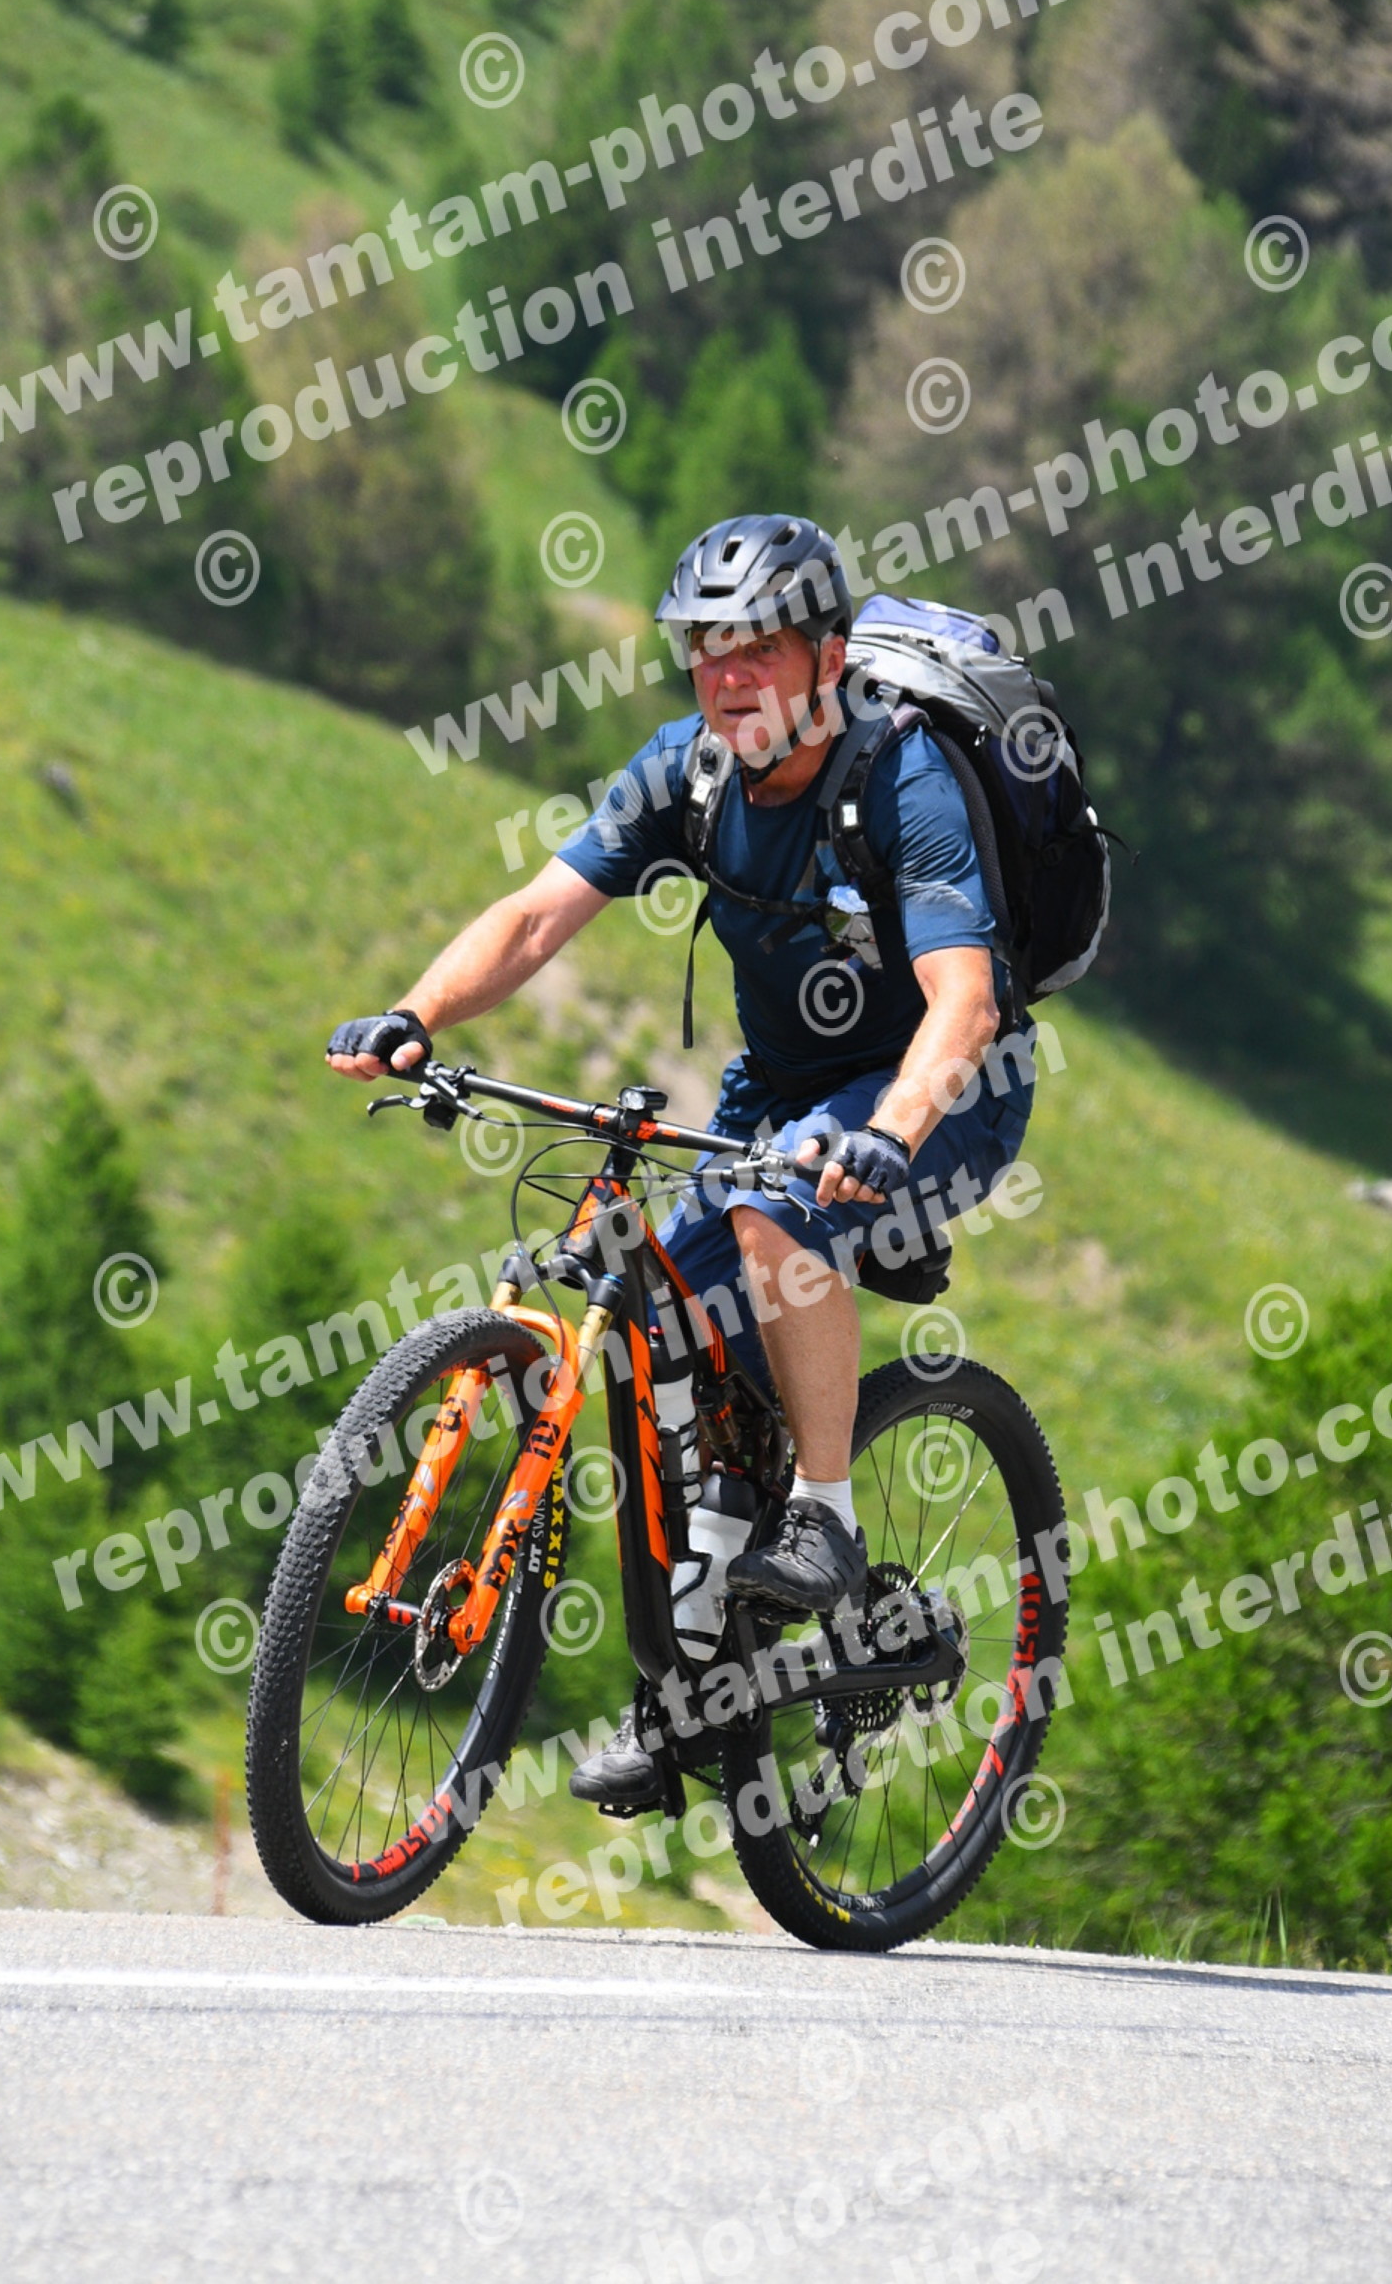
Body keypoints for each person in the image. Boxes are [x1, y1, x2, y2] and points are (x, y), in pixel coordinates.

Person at [326, 512, 1033, 1808]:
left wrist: (889, 1134)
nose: (728, 676)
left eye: (758, 648)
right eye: (707, 648)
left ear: (828, 657)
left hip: (948, 1093)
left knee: (773, 1217)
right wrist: (415, 1015)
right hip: (781, 1095)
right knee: (666, 1339)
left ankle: (827, 1514)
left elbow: (965, 1003)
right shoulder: (688, 776)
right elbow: (534, 917)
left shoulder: (903, 780)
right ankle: (697, 1692)